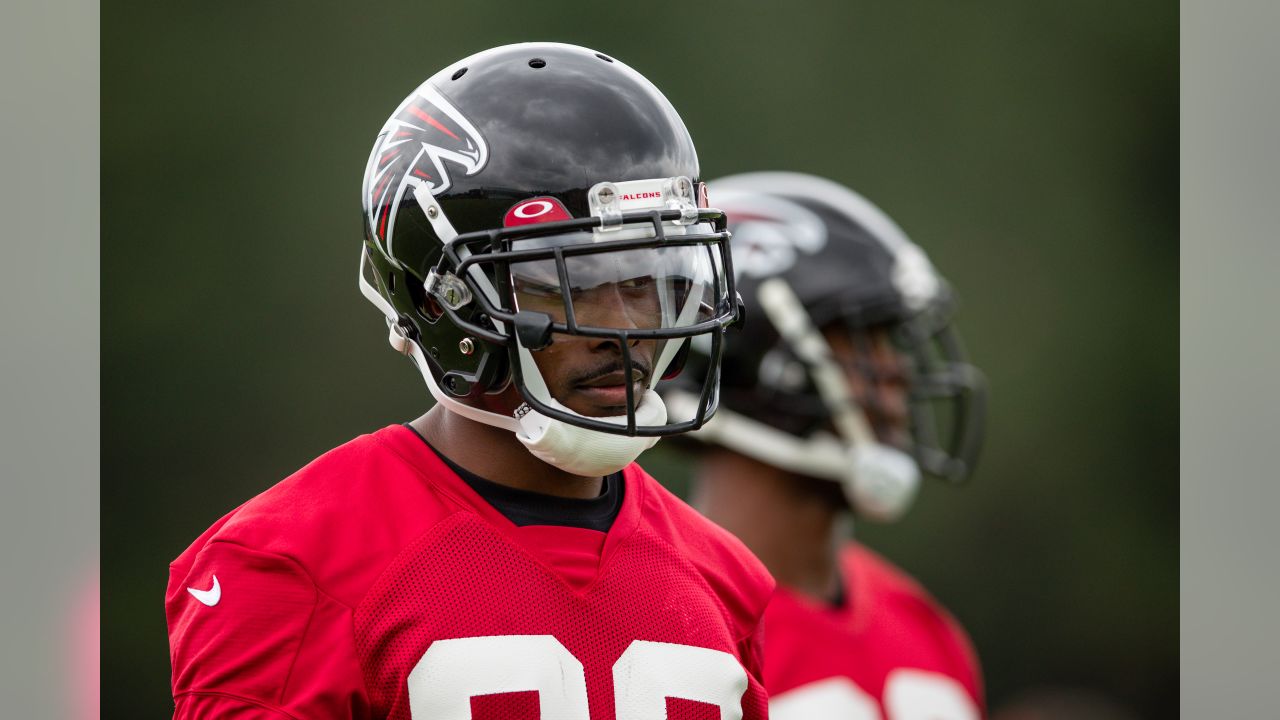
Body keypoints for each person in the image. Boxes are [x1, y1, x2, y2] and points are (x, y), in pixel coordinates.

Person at [165, 43, 772, 719]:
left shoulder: (726, 577)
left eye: (643, 279)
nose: (621, 325)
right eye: (570, 283)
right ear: (438, 300)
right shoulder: (292, 560)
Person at [661, 171, 988, 719]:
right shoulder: (668, 624)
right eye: (862, 340)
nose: (898, 373)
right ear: (760, 360)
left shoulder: (921, 625)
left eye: (892, 343)